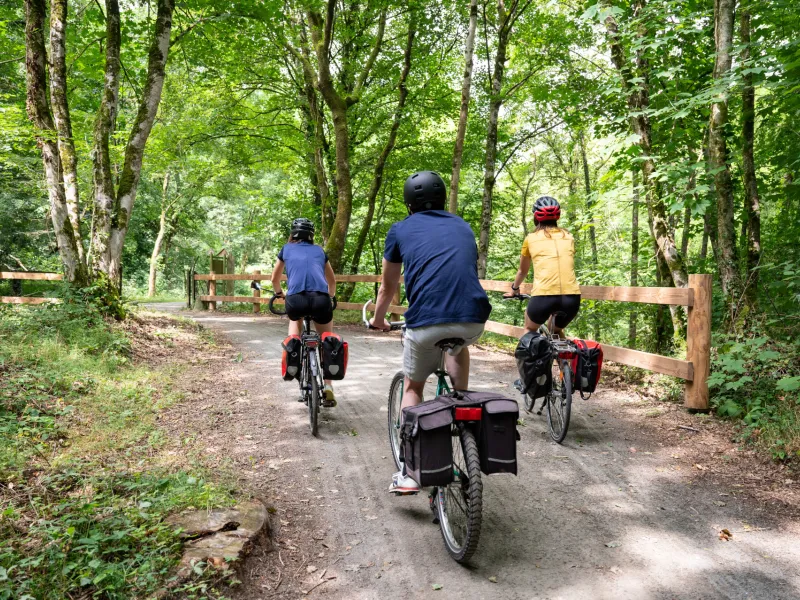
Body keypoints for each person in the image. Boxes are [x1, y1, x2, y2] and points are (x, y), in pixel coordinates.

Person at [369, 171, 492, 494]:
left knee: (413, 387)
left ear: (409, 203)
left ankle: (410, 472)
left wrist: (379, 320)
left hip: (425, 323)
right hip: (473, 319)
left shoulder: (400, 230)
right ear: (441, 199)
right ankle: (460, 404)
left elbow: (388, 286)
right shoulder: (462, 225)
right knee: (457, 346)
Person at [271, 217, 339, 407]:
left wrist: (280, 295)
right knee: (327, 337)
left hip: (296, 299)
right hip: (320, 300)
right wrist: (330, 297)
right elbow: (331, 281)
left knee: (295, 320)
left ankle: (293, 352)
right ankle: (328, 387)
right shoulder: (319, 250)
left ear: (292, 234)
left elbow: (274, 278)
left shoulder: (286, 249)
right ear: (311, 235)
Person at [503, 196, 581, 336]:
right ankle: (565, 358)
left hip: (544, 296)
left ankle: (526, 357)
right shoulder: (568, 236)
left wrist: (514, 289)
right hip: (572, 298)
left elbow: (522, 271)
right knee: (556, 331)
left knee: (529, 329)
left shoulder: (531, 238)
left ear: (536, 216)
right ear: (557, 216)